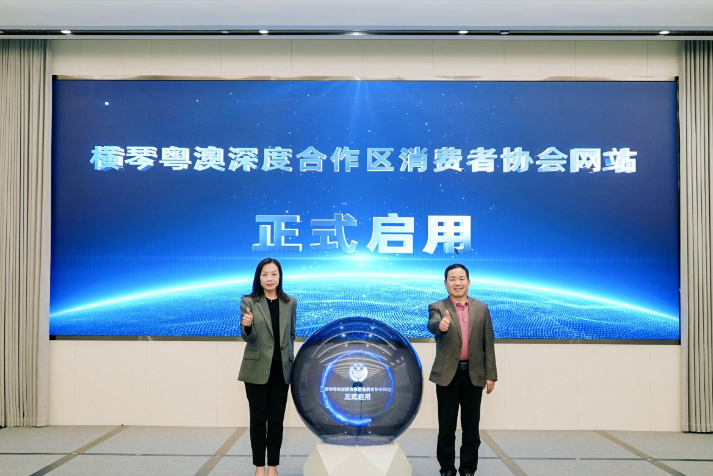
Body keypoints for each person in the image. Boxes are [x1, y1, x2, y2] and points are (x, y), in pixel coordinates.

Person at [427, 264, 497, 476]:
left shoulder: (481, 308)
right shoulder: (438, 306)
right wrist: (441, 326)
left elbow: (488, 342)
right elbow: (432, 324)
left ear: (468, 281)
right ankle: (447, 469)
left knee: (471, 429)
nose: (457, 283)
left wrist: (490, 374)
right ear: (445, 283)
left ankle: (468, 469)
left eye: (461, 278)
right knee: (446, 429)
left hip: (474, 375)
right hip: (447, 375)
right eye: (452, 279)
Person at [239, 258, 297, 476]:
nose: (269, 278)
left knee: (276, 422)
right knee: (257, 421)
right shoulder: (249, 302)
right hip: (256, 369)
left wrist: (289, 359)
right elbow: (248, 337)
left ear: (280, 277)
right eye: (265, 274)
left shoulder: (290, 302)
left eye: (273, 274)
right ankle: (259, 467)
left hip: (281, 372)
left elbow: (291, 335)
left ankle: (273, 467)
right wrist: (247, 326)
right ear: (259, 277)